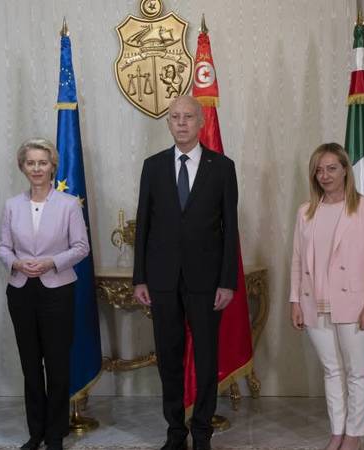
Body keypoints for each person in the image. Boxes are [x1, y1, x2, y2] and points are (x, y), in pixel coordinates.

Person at [133, 95, 239, 450]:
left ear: (201, 121)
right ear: (168, 123)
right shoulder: (153, 166)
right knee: (169, 358)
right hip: (162, 279)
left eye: (188, 117)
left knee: (206, 358)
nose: (181, 122)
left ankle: (203, 432)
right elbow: (144, 225)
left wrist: (227, 281)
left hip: (207, 281)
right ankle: (176, 432)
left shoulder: (222, 167)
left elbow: (230, 228)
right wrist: (140, 277)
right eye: (175, 117)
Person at [289, 143, 364, 450]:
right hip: (314, 304)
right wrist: (295, 301)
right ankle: (337, 432)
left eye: (331, 168)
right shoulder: (306, 212)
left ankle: (353, 435)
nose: (325, 175)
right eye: (319, 170)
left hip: (357, 305)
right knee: (332, 371)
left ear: (345, 169)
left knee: (357, 372)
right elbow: (297, 260)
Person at [0, 138, 89, 450]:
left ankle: (55, 433)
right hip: (21, 291)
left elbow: (81, 247)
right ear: (22, 167)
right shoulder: (12, 205)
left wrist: (51, 262)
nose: (37, 168)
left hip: (58, 291)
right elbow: (3, 247)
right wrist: (16, 263)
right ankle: (35, 432)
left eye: (43, 162)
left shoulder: (69, 204)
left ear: (53, 166)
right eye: (31, 163)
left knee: (57, 364)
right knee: (30, 365)